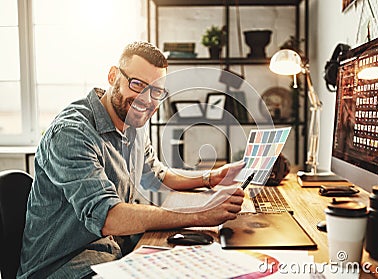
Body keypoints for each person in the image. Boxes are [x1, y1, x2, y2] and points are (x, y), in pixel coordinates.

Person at [17, 41, 245, 279]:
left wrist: (209, 178)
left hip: (115, 255)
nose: (146, 99)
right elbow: (108, 216)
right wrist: (201, 213)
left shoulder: (132, 123)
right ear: (113, 75)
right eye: (137, 84)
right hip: (64, 267)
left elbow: (155, 175)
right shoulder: (71, 133)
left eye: (156, 92)